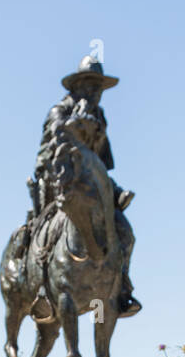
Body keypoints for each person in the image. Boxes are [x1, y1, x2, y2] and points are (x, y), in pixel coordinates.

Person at [26, 56, 141, 319]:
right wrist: (76, 125)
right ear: (76, 87)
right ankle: (44, 289)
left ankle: (122, 286)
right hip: (60, 178)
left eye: (98, 88)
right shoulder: (61, 111)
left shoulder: (99, 115)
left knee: (125, 232)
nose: (94, 93)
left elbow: (102, 160)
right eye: (89, 86)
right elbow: (55, 147)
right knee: (50, 232)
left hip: (91, 184)